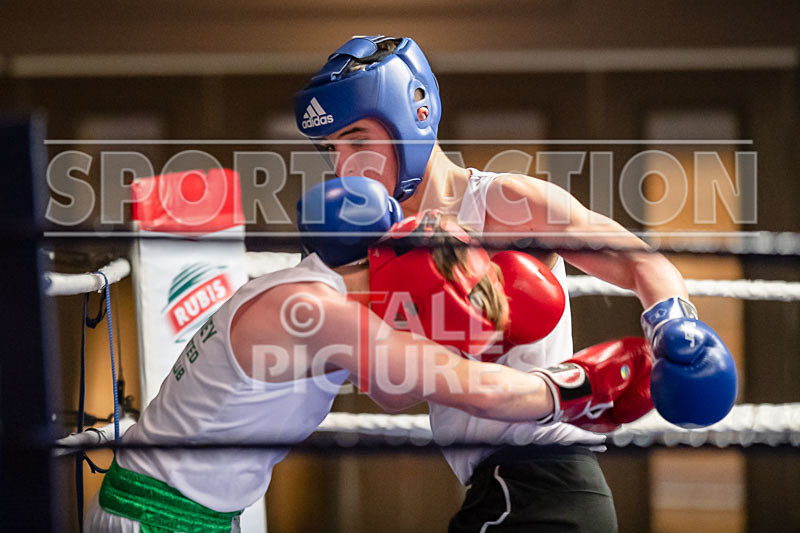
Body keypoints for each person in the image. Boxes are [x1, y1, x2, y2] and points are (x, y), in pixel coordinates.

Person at [294, 35, 738, 531]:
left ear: (412, 116)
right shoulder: (378, 251)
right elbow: (391, 395)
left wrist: (671, 322)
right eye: (331, 150)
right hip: (498, 490)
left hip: (544, 483)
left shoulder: (504, 204)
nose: (344, 166)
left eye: (357, 140)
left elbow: (643, 263)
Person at [84, 180, 649, 532]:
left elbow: (394, 389)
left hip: (196, 511)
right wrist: (579, 388)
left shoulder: (318, 295)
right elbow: (473, 389)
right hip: (156, 513)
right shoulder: (312, 310)